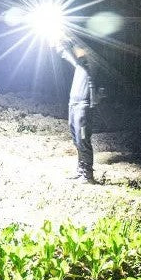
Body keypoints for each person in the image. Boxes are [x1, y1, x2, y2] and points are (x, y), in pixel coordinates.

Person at [54, 38, 97, 183]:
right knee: (76, 138)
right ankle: (81, 169)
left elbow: (80, 49)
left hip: (83, 106)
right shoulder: (80, 63)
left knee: (83, 138)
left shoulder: (90, 62)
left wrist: (70, 39)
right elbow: (67, 55)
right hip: (74, 104)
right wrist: (58, 43)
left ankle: (88, 174)